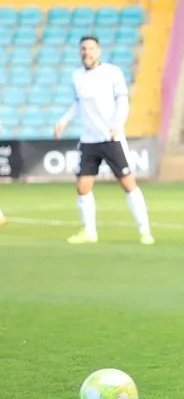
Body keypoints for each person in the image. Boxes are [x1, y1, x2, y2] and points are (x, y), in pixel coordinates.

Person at [53, 36, 153, 245]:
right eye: (83, 49)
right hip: (89, 140)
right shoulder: (77, 76)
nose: (87, 53)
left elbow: (123, 101)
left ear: (98, 51)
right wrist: (63, 121)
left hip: (111, 138)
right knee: (82, 187)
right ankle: (89, 232)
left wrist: (117, 124)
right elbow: (77, 104)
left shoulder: (112, 73)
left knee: (128, 184)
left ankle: (145, 231)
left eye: (90, 49)